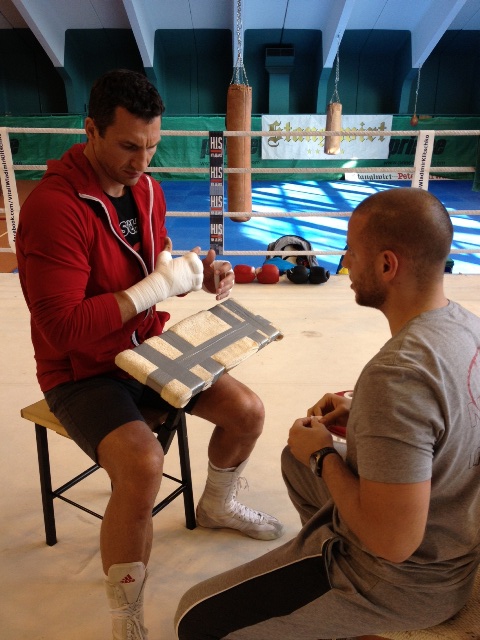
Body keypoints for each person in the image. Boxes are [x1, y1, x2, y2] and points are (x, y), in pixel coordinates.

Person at [16, 69, 284, 640]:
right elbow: (62, 329)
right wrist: (157, 288)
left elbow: (154, 261)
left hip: (146, 346)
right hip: (81, 371)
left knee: (248, 412)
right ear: (91, 130)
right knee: (142, 466)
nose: (142, 161)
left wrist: (195, 274)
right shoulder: (53, 209)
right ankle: (126, 612)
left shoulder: (147, 190)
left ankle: (216, 505)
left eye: (153, 145)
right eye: (129, 146)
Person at [175, 187, 480, 639]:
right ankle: (316, 576)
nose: (344, 261)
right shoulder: (465, 326)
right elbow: (449, 420)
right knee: (294, 460)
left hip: (402, 581)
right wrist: (363, 417)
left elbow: (394, 543)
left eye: (352, 251)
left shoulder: (397, 376)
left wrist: (323, 456)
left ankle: (342, 587)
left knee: (193, 619)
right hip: (450, 541)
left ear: (387, 265)